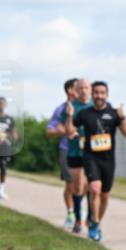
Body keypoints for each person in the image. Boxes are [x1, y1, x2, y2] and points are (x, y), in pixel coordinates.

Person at [66, 81, 126, 242]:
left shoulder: (114, 113)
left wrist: (122, 117)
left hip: (108, 160)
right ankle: (93, 223)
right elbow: (69, 131)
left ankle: (96, 222)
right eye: (96, 93)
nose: (99, 96)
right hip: (90, 157)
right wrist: (69, 115)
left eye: (102, 93)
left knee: (105, 195)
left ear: (107, 95)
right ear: (92, 94)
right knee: (95, 188)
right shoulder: (85, 113)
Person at [61, 79, 93, 233]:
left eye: (86, 87)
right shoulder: (70, 107)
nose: (83, 91)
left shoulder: (97, 104)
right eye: (80, 88)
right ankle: (78, 219)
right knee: (78, 185)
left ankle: (90, 218)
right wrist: (69, 121)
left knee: (90, 186)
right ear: (76, 90)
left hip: (93, 151)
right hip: (75, 151)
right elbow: (67, 131)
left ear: (90, 89)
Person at [48, 79, 79, 229]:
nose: (80, 90)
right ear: (69, 91)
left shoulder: (85, 107)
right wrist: (61, 131)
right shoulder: (61, 109)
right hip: (66, 149)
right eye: (76, 87)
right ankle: (71, 213)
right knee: (70, 184)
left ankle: (79, 209)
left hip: (83, 150)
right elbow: (49, 130)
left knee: (83, 185)